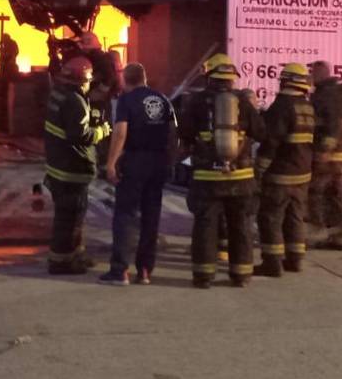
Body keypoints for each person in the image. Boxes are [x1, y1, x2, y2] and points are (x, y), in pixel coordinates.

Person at [178, 53, 265, 289]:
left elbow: (184, 133)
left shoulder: (196, 102)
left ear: (209, 76)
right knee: (241, 226)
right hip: (241, 178)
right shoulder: (243, 102)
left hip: (207, 178)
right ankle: (241, 275)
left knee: (206, 225)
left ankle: (203, 276)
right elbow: (261, 132)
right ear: (231, 77)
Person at [98, 63, 177, 286]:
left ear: (125, 80)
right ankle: (144, 270)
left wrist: (111, 163)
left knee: (125, 215)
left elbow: (120, 133)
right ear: (144, 78)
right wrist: (169, 161)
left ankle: (120, 270)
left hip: (135, 161)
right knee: (151, 216)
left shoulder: (127, 100)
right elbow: (173, 133)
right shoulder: (163, 99)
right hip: (158, 161)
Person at [43, 55, 111, 275]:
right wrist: (101, 131)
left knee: (71, 218)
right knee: (69, 219)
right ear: (82, 80)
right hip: (71, 169)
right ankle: (61, 262)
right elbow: (80, 135)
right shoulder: (74, 101)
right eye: (88, 81)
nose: (89, 84)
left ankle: (76, 254)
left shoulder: (59, 94)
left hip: (59, 166)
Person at [254, 63, 316, 277]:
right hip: (302, 173)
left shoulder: (281, 107)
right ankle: (295, 259)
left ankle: (272, 263)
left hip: (281, 174)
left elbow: (271, 141)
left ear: (286, 81)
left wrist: (259, 168)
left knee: (270, 217)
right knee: (295, 216)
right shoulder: (307, 106)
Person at [308, 60, 342, 251]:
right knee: (334, 195)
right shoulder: (334, 93)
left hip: (329, 156)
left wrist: (325, 149)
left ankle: (316, 231)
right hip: (340, 155)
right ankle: (340, 237)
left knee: (316, 193)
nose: (310, 76)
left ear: (320, 74)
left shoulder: (327, 95)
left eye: (312, 73)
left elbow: (333, 124)